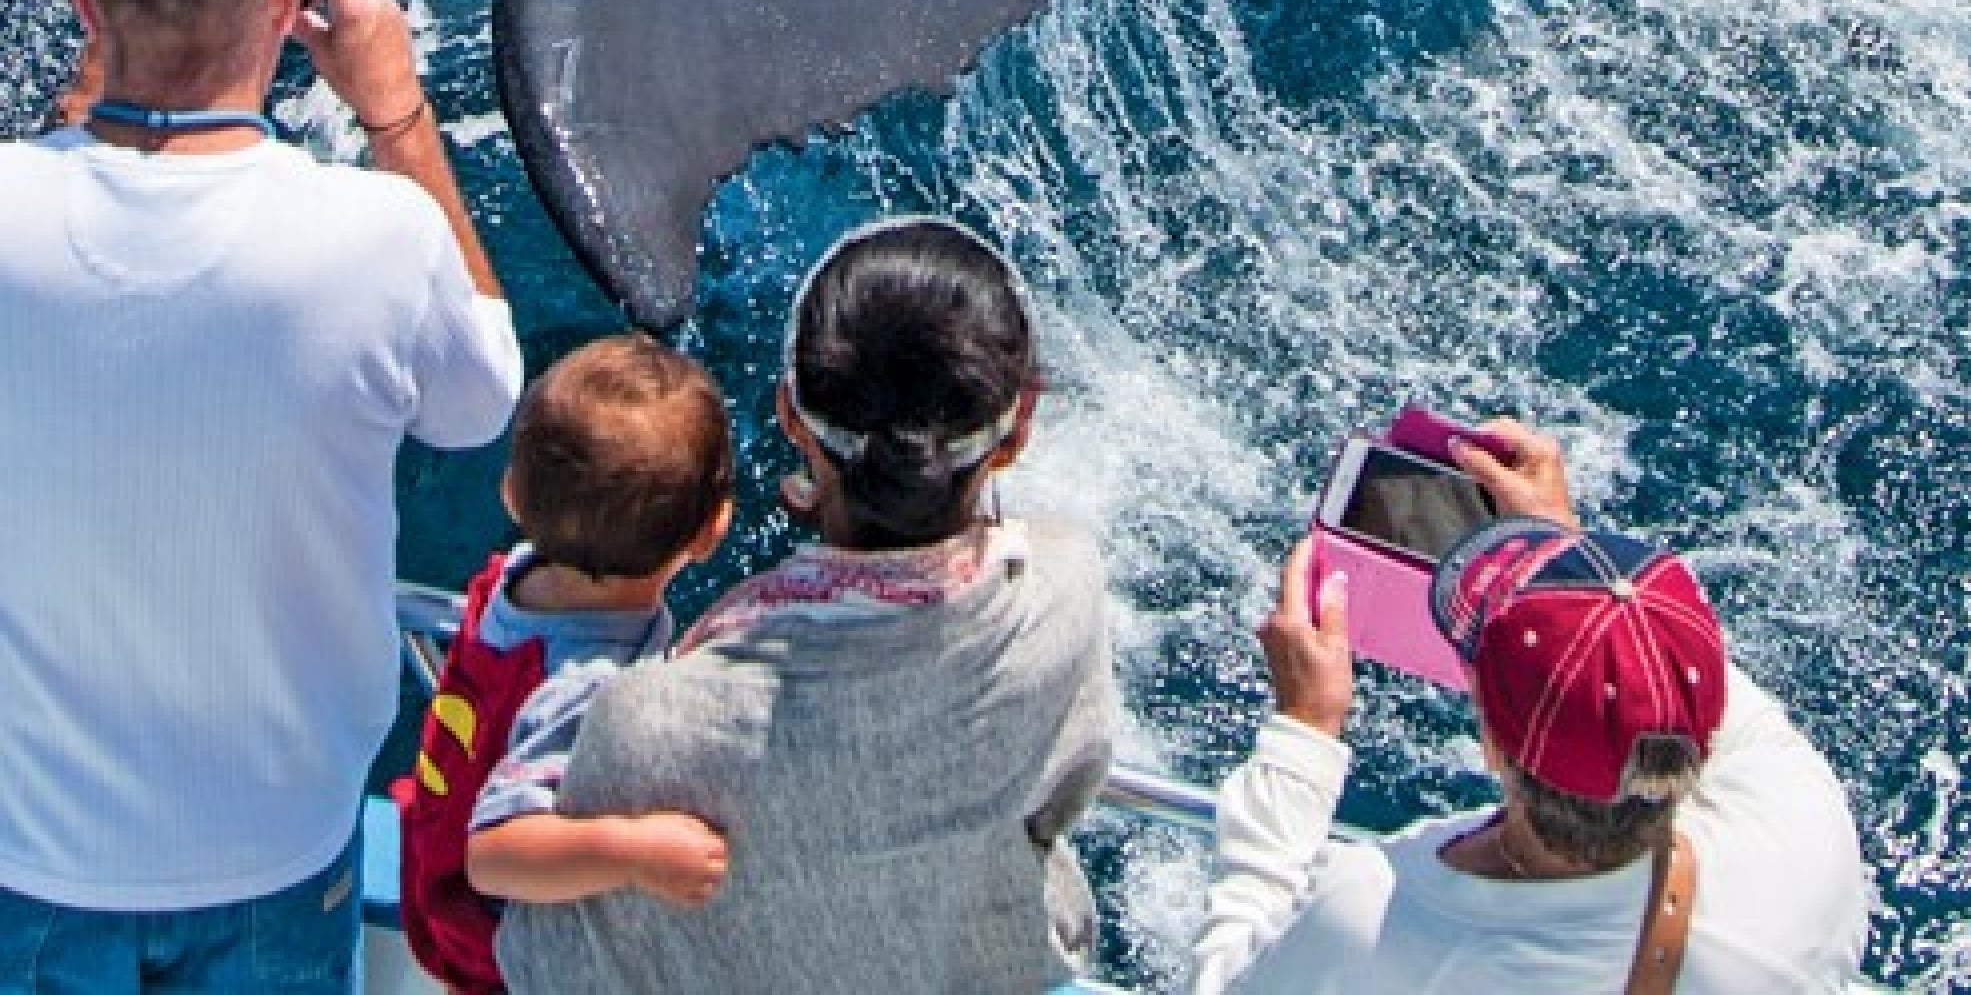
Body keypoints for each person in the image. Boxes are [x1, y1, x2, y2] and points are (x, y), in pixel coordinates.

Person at [0, 0, 523, 992]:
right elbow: (482, 393)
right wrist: (395, 114)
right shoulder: (373, 237)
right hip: (275, 855)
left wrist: (98, 82)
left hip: (21, 860)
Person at [496, 216, 1118, 995]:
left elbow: (544, 962)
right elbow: (1064, 791)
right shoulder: (1065, 591)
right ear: (1016, 428)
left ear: (789, 413)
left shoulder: (647, 720)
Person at [1193, 419, 1870, 993]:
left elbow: (1228, 978)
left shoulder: (1377, 917)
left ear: (1491, 743)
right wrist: (1567, 559)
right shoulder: (1807, 840)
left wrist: (1304, 731)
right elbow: (1668, 680)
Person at [398, 332, 734, 993]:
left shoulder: (515, 580)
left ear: (512, 497)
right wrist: (638, 854)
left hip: (429, 876)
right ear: (710, 532)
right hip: (495, 955)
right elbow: (495, 853)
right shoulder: (585, 687)